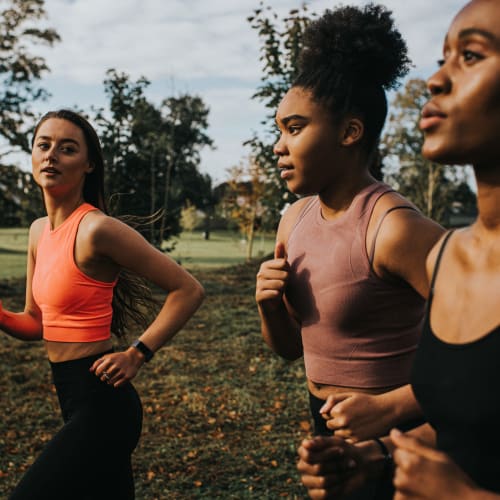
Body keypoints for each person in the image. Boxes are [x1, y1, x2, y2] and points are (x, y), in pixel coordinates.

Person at [297, 0, 500, 498]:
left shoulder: (400, 229)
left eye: (471, 56)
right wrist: (376, 456)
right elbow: (471, 425)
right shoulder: (450, 256)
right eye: (442, 57)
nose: (435, 81)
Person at [255, 3, 443, 498]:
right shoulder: (293, 219)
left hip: (407, 432)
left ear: (349, 132)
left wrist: (394, 406)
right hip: (323, 421)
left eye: (294, 128)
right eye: (278, 129)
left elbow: (485, 357)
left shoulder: (393, 228)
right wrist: (269, 307)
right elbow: (290, 349)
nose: (278, 145)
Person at [0, 109, 205, 500]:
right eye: (43, 145)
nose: (51, 156)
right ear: (31, 156)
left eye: (67, 148)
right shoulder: (38, 232)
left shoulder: (97, 229)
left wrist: (138, 353)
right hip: (70, 397)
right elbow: (35, 322)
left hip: (104, 406)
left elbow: (188, 289)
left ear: (88, 164)